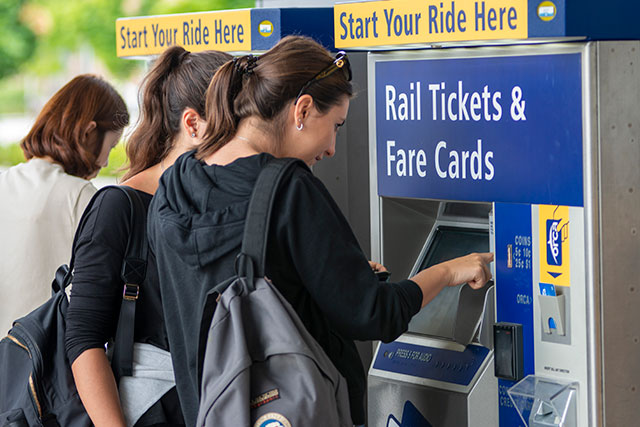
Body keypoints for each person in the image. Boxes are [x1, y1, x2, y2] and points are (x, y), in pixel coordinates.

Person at [148, 36, 493, 426]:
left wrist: (329, 275)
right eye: (336, 126)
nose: (331, 148)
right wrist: (448, 271)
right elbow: (374, 315)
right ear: (303, 109)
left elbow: (215, 292)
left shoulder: (173, 189)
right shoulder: (288, 189)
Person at [64, 47, 231, 426]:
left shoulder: (231, 204)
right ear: (193, 125)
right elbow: (84, 339)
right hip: (153, 411)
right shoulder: (120, 207)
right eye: (235, 128)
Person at [0, 74, 128, 334]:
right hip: (45, 362)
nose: (105, 162)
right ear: (89, 131)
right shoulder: (82, 196)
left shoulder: (4, 181)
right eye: (112, 146)